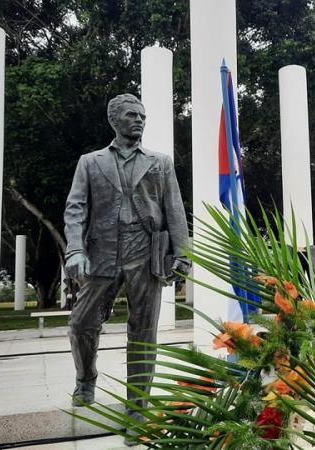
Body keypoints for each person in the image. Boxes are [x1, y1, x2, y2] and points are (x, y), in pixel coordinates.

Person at [63, 94, 190, 417]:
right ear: (114, 120)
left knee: (144, 330)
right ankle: (86, 377)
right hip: (101, 251)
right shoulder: (90, 162)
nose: (139, 120)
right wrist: (75, 248)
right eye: (132, 115)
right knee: (81, 323)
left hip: (145, 252)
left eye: (142, 116)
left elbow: (174, 210)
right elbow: (76, 208)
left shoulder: (159, 162)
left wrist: (183, 255)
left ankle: (137, 406)